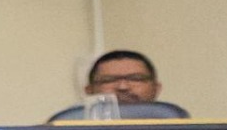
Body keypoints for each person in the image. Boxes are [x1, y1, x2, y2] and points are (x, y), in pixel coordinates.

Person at [47, 50, 187, 121]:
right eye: (108, 80)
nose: (122, 87)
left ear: (157, 88)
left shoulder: (174, 119)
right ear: (89, 90)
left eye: (136, 78)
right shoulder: (68, 123)